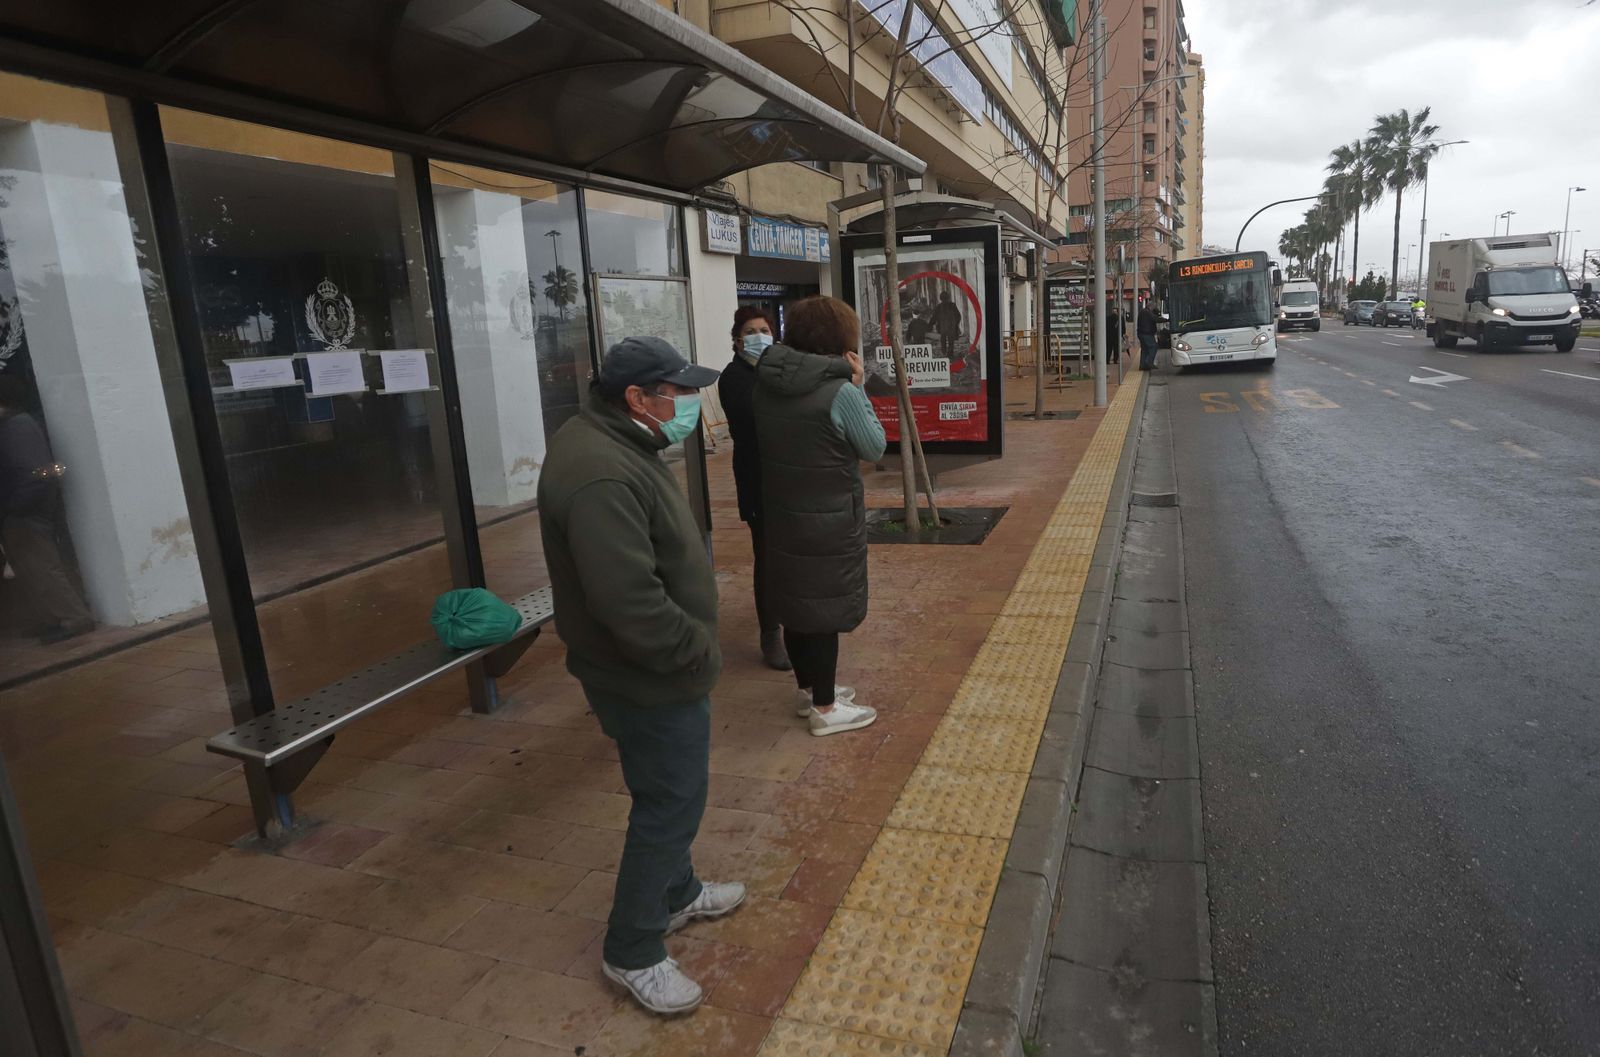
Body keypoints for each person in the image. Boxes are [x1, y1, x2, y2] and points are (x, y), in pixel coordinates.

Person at [537, 336, 746, 1015]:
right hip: (649, 671)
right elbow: (628, 600)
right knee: (671, 799)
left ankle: (678, 891)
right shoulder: (601, 469)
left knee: (664, 785)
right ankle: (633, 948)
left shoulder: (617, 440)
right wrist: (694, 650)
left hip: (651, 665)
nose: (689, 403)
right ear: (637, 397)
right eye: (678, 392)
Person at [755, 296, 884, 736]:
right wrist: (860, 384)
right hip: (829, 517)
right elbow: (874, 447)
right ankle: (826, 711)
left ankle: (808, 691)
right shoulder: (841, 391)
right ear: (839, 340)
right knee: (824, 609)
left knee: (797, 603)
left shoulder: (766, 384)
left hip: (783, 511)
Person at [716, 307, 789, 671]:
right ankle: (770, 635)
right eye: (752, 330)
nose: (761, 335)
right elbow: (762, 422)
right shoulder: (734, 377)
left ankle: (793, 620)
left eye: (765, 329)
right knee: (768, 559)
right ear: (737, 339)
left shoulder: (775, 370)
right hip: (758, 480)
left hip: (789, 478)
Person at [0, 376, 92, 644]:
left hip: (25, 512)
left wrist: (14, 509)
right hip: (19, 510)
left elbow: (35, 475)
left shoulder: (15, 426)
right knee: (29, 569)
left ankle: (75, 618)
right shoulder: (11, 425)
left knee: (42, 567)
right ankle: (53, 618)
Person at [930, 289, 963, 361]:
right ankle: (950, 354)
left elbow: (934, 317)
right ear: (948, 298)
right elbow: (958, 316)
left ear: (940, 298)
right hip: (951, 327)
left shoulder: (938, 307)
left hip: (943, 327)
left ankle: (944, 352)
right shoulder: (952, 305)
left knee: (943, 339)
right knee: (950, 341)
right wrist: (956, 324)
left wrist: (930, 325)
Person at [1136, 299, 1159, 371]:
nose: (1153, 309)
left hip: (1142, 333)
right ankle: (1149, 363)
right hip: (1146, 334)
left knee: (1145, 349)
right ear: (1151, 306)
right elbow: (1155, 319)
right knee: (1153, 347)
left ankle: (1142, 365)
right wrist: (1167, 319)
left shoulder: (1143, 311)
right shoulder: (1147, 312)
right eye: (1153, 307)